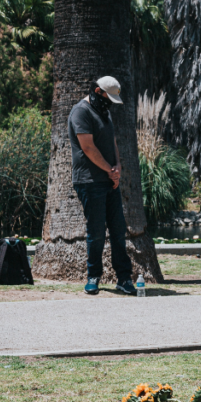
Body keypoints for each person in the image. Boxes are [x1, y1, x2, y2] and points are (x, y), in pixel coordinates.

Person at [69, 76, 136, 296]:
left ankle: (124, 278)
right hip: (89, 181)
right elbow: (87, 147)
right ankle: (93, 276)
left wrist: (116, 167)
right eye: (109, 98)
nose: (111, 104)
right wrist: (110, 170)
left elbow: (112, 142)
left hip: (109, 180)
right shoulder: (81, 112)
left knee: (118, 230)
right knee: (96, 231)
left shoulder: (104, 112)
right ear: (98, 92)